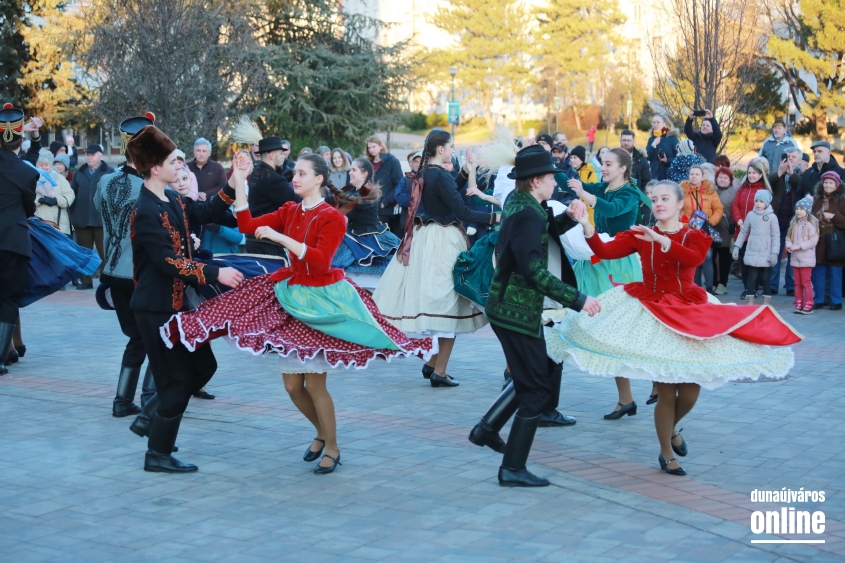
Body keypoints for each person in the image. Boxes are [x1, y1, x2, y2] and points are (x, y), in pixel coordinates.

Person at [163, 153, 434, 474]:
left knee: (315, 386)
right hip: (291, 296)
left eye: (303, 173)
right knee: (292, 386)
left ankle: (331, 447)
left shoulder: (333, 218)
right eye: (295, 172)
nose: (295, 178)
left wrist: (281, 238)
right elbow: (247, 224)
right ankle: (321, 433)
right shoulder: (290, 210)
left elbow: (320, 261)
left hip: (319, 301)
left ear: (319, 179)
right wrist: (238, 181)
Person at [547, 180, 801, 475]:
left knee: (691, 392)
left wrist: (662, 241)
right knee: (667, 391)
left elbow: (692, 258)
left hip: (688, 309)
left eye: (665, 198)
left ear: (680, 204)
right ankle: (667, 454)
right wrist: (587, 227)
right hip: (651, 309)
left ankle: (670, 431)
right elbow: (605, 250)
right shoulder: (639, 234)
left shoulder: (695, 235)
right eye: (654, 199)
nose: (658, 203)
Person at [468, 146, 600, 487]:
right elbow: (531, 268)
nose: (555, 183)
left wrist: (569, 217)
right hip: (516, 309)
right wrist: (578, 298)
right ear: (536, 181)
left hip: (508, 306)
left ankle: (486, 429)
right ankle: (512, 467)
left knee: (533, 376)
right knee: (537, 389)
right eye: (551, 178)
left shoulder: (520, 201)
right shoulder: (528, 210)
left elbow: (538, 231)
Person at [124, 125, 245, 473]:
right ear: (153, 167)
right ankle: (157, 453)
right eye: (170, 161)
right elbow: (166, 261)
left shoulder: (172, 198)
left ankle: (151, 417)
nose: (179, 165)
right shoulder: (145, 209)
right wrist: (213, 273)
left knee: (205, 366)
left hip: (177, 305)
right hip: (154, 309)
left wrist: (234, 181)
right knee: (175, 382)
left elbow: (204, 213)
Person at [374, 129, 496, 388]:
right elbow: (461, 209)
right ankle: (439, 371)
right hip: (441, 240)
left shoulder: (426, 173)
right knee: (447, 304)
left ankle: (432, 364)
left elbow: (449, 190)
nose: (452, 150)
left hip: (424, 237)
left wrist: (464, 172)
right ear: (441, 150)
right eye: (451, 147)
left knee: (439, 301)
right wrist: (494, 218)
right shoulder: (437, 175)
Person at [563, 148, 646, 418]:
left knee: (629, 328)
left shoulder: (630, 194)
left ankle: (660, 384)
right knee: (608, 330)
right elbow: (590, 186)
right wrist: (573, 183)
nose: (604, 168)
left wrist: (584, 194)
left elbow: (610, 207)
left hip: (619, 263)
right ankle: (626, 399)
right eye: (603, 163)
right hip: (596, 257)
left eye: (609, 164)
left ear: (623, 168)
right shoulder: (606, 186)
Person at [94, 114, 158, 417]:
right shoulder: (148, 188)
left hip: (112, 272)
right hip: (138, 275)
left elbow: (98, 210)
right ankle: (148, 400)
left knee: (138, 336)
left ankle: (125, 400)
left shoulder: (105, 181)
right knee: (154, 336)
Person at [0, 104, 41, 375]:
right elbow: (29, 210)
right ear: (21, 140)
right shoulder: (27, 173)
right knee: (9, 298)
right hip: (13, 241)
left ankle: (10, 351)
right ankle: (2, 357)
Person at [231, 119, 302, 257]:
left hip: (255, 238)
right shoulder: (274, 179)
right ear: (271, 155)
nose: (283, 156)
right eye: (281, 153)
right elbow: (296, 202)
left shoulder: (257, 172)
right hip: (268, 242)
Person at [328, 157, 401, 288]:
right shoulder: (350, 190)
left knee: (393, 265)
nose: (350, 172)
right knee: (333, 264)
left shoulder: (370, 192)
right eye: (350, 169)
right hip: (352, 235)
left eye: (354, 170)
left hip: (370, 236)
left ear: (364, 174)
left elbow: (358, 203)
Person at [70, 143, 114, 289]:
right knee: (84, 253)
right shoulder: (79, 172)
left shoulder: (109, 172)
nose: (89, 157)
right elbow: (72, 194)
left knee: (105, 253)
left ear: (100, 156)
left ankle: (106, 281)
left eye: (92, 154)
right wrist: (72, 217)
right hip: (82, 220)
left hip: (103, 221)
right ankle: (86, 281)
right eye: (87, 155)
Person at [732, 158, 773, 298]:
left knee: (755, 264)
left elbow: (766, 212)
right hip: (742, 230)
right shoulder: (742, 187)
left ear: (761, 175)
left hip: (757, 233)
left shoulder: (763, 191)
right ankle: (748, 289)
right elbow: (735, 205)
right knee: (743, 262)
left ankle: (756, 288)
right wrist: (739, 221)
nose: (751, 175)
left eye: (754, 173)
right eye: (749, 173)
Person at [681, 165, 723, 292]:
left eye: (697, 174)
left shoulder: (710, 191)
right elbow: (678, 210)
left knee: (708, 257)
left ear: (702, 176)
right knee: (694, 259)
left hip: (705, 231)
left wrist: (709, 223)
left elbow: (719, 209)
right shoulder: (682, 192)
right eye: (692, 174)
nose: (694, 176)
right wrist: (686, 224)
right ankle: (696, 287)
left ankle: (709, 288)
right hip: (689, 231)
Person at [733, 190, 780, 305]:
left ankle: (766, 299)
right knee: (752, 276)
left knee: (765, 277)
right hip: (752, 252)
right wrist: (737, 246)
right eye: (756, 201)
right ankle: (750, 298)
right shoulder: (750, 215)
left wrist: (774, 253)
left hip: (766, 253)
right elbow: (744, 232)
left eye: (761, 201)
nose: (758, 203)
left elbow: (776, 236)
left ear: (767, 203)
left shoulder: (772, 217)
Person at [768, 147, 802, 295]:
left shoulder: (802, 174)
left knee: (792, 254)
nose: (790, 159)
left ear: (799, 159)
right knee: (775, 251)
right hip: (777, 219)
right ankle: (772, 285)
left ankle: (791, 286)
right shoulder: (778, 173)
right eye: (788, 156)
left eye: (794, 157)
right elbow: (767, 183)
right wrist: (780, 173)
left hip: (794, 220)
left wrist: (792, 175)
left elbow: (802, 187)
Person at [811, 171, 845, 310]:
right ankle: (818, 299)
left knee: (835, 273)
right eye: (826, 182)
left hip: (836, 241)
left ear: (837, 184)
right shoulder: (817, 198)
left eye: (831, 183)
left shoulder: (842, 199)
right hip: (819, 240)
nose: (828, 185)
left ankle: (836, 301)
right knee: (818, 272)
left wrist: (833, 216)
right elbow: (811, 216)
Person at [785, 198, 819, 314]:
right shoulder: (794, 223)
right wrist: (789, 245)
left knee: (806, 282)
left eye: (801, 209)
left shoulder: (811, 224)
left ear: (807, 210)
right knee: (797, 282)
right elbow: (788, 237)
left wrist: (798, 246)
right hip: (795, 258)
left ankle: (808, 303)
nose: (798, 211)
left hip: (806, 258)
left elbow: (813, 241)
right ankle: (798, 302)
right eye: (797, 209)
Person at [365, 136, 403, 237]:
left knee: (382, 238)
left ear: (381, 146)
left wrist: (385, 202)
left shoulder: (392, 161)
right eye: (369, 147)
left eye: (374, 146)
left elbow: (399, 184)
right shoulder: (368, 163)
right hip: (368, 206)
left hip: (384, 209)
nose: (371, 150)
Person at [34, 149, 75, 236]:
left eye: (46, 165)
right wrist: (39, 200)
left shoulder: (60, 178)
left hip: (60, 225)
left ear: (51, 165)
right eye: (41, 165)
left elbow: (70, 195)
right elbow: (26, 198)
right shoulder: (33, 179)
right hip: (39, 224)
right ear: (37, 165)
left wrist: (57, 200)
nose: (44, 167)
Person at [712, 166, 737, 295]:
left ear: (730, 180)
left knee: (724, 258)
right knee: (711, 258)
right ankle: (714, 282)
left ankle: (722, 283)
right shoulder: (711, 190)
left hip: (727, 229)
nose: (722, 180)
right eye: (720, 177)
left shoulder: (734, 192)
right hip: (712, 228)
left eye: (725, 178)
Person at [395, 152, 422, 231]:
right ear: (412, 164)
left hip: (424, 222)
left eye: (421, 162)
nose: (418, 164)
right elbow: (399, 197)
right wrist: (417, 199)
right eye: (416, 162)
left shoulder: (429, 179)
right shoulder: (405, 179)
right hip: (407, 222)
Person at [646, 115, 679, 181]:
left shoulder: (672, 138)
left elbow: (678, 158)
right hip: (654, 176)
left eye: (658, 122)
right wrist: (653, 145)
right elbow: (647, 156)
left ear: (664, 124)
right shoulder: (651, 139)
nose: (655, 124)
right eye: (653, 122)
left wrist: (667, 160)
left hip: (669, 175)